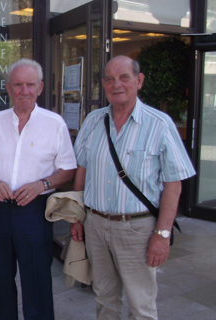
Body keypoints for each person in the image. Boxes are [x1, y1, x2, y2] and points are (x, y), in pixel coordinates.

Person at [71, 55, 196, 320]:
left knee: (141, 306)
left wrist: (162, 235)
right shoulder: (93, 121)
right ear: (103, 85)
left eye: (124, 77)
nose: (116, 85)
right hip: (95, 224)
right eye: (109, 79)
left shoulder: (159, 124)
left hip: (137, 229)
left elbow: (174, 184)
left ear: (138, 81)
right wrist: (77, 217)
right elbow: (82, 170)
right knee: (104, 299)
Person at [0, 58, 77, 320]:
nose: (24, 90)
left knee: (37, 278)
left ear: (40, 87)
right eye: (18, 84)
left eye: (30, 84)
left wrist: (43, 184)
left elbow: (68, 169)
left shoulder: (55, 124)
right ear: (9, 88)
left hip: (35, 211)